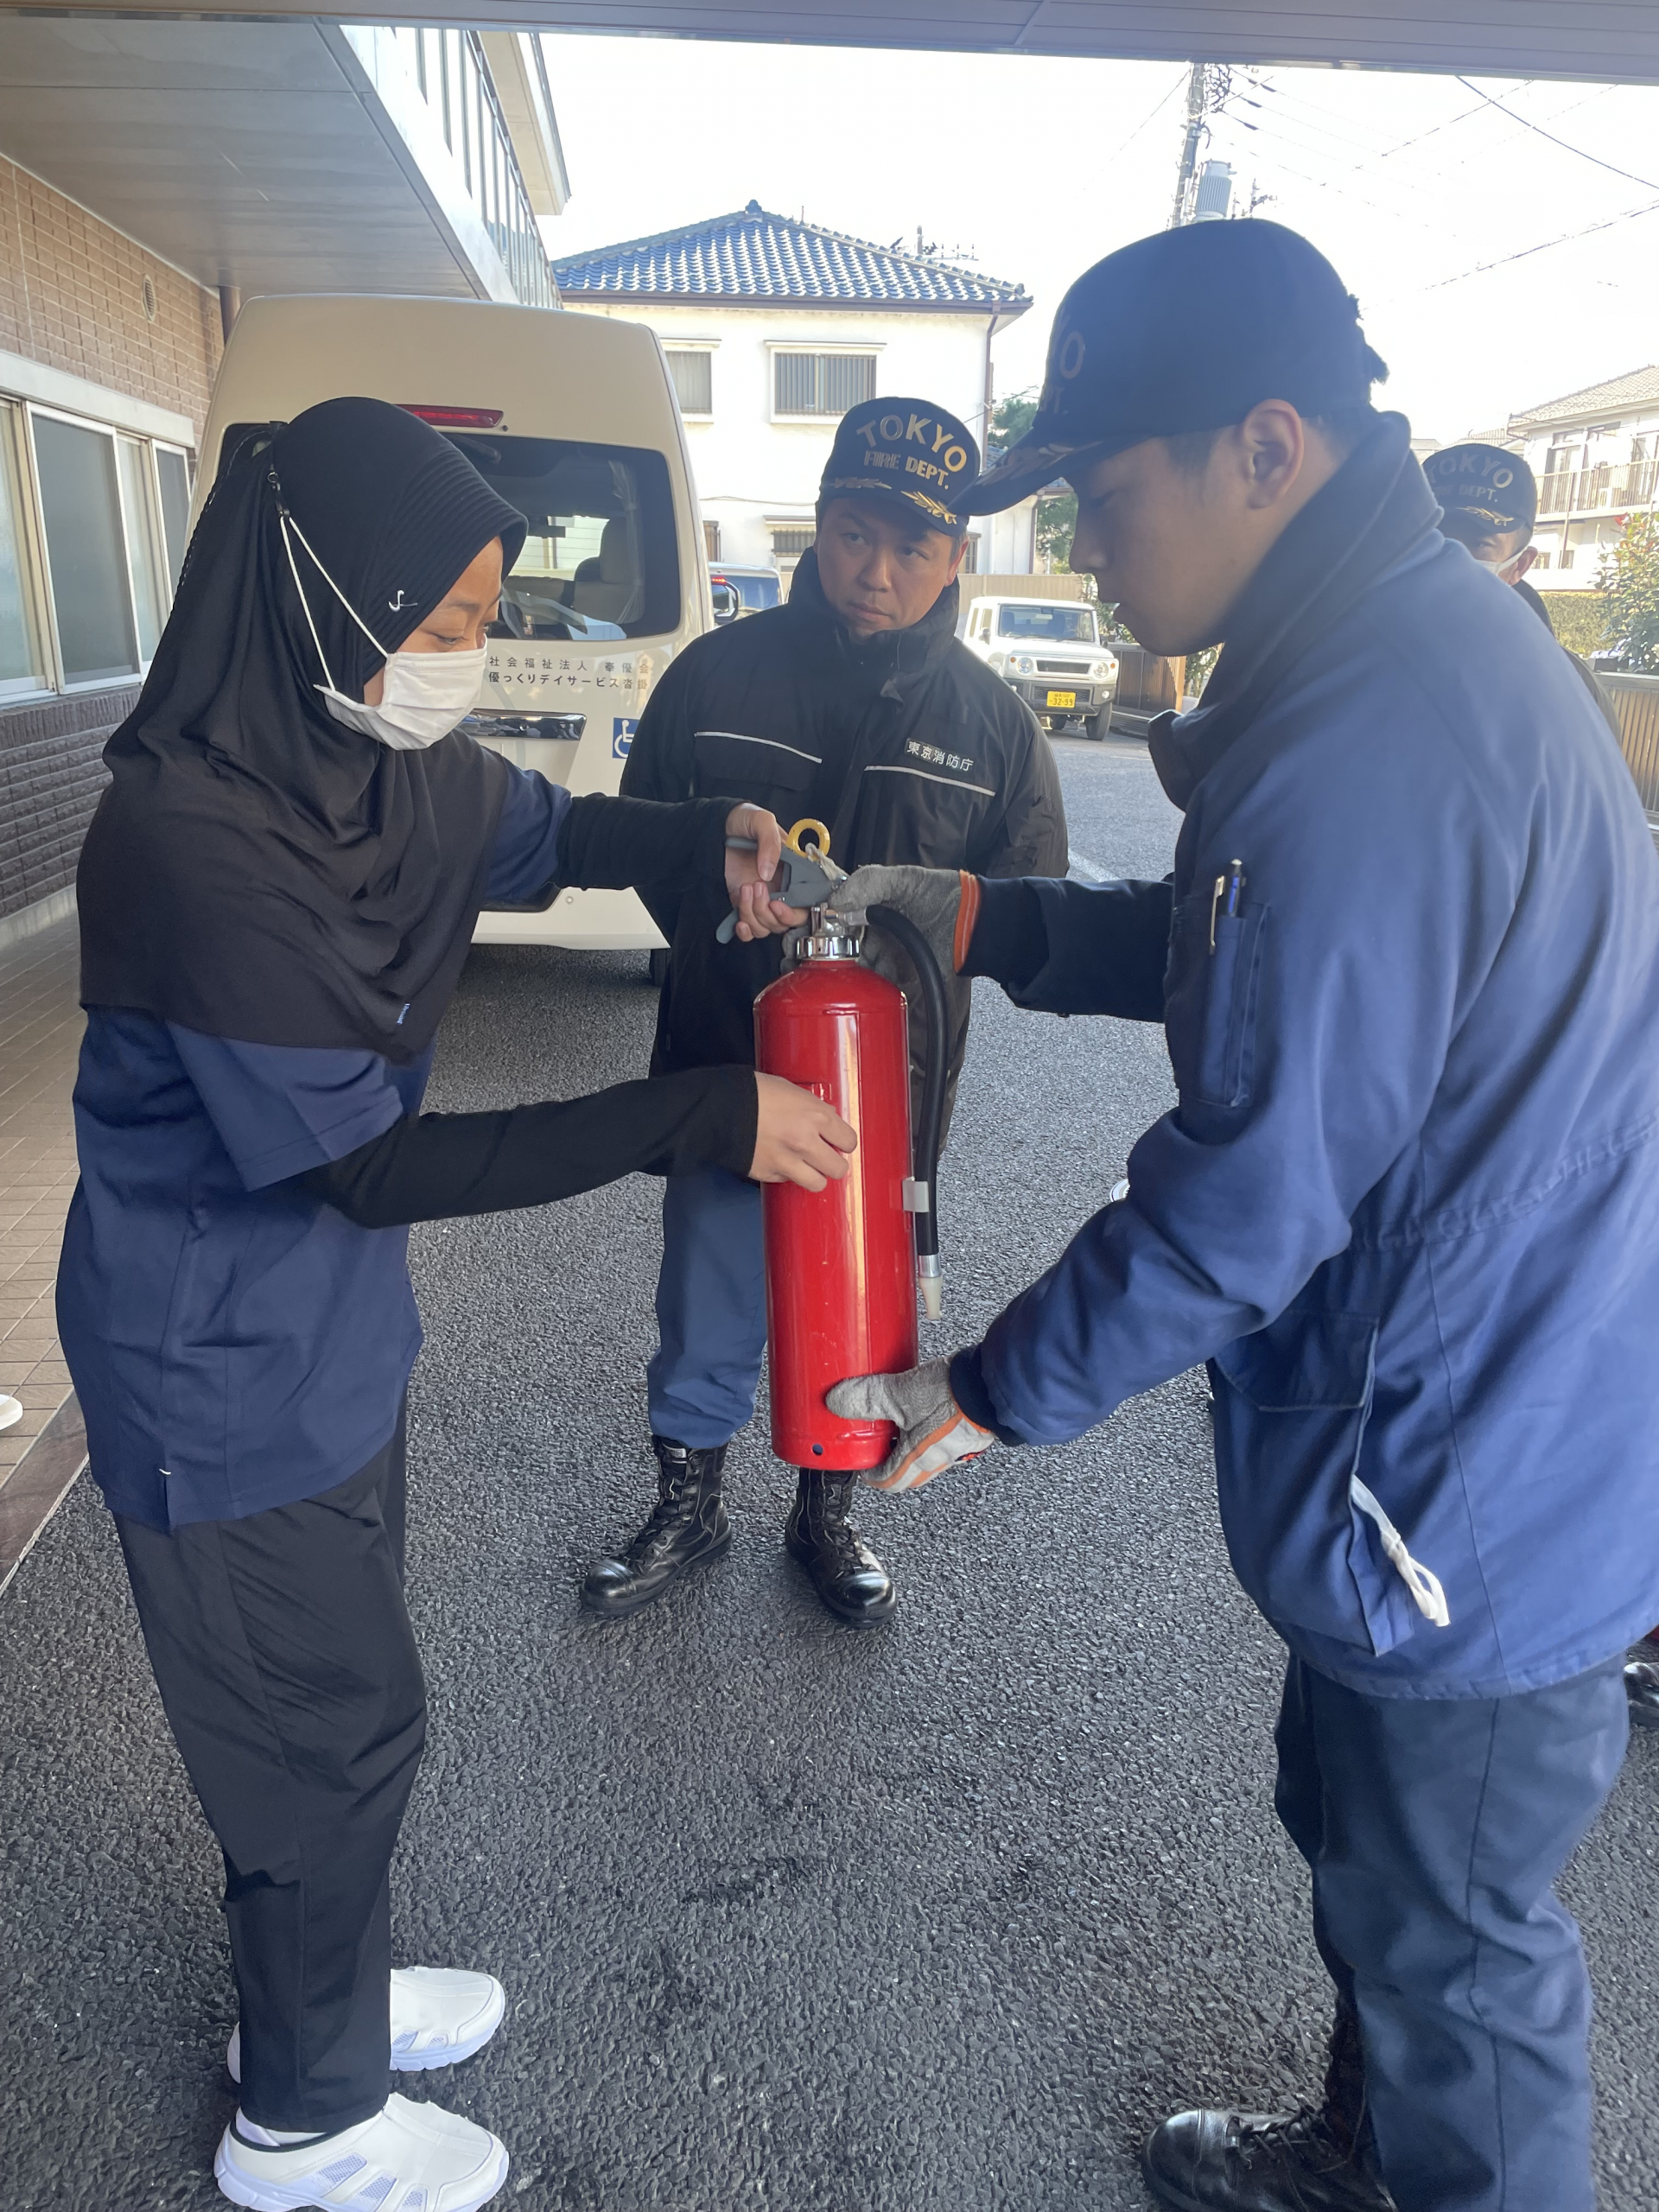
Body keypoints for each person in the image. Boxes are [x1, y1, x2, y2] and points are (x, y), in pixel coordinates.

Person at [823, 222, 1659, 2212]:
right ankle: (1363, 2157)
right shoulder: (1390, 651)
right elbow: (1249, 951)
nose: (1087, 549)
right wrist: (963, 910)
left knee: (1457, 1957)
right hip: (1486, 1415)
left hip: (1463, 1475)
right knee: (1372, 1851)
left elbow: (1254, 1188)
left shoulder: (1378, 733)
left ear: (1264, 448)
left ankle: (1411, 2159)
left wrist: (995, 1382)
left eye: (1106, 495)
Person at [57, 398, 852, 2212]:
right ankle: (301, 2123)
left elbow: (547, 829)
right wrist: (695, 1115)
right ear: (328, 600)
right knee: (321, 1730)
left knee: (337, 1707)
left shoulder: (384, 758)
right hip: (214, 1366)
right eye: (445, 620)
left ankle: (317, 2004)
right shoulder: (190, 842)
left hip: (333, 1344)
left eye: (486, 613)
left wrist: (700, 838)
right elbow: (366, 1166)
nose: (468, 658)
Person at [583, 398, 1067, 1629]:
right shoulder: (717, 675)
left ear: (956, 557)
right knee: (707, 1291)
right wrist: (720, 914)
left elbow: (1031, 905)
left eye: (914, 547)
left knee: (850, 1301)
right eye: (856, 534)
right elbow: (646, 836)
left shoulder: (994, 727)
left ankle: (827, 1510)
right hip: (727, 1061)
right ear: (820, 526)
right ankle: (689, 1502)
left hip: (880, 1094)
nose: (877, 570)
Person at [1423, 440, 1623, 734]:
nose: (1448, 554)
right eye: (1430, 538)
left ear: (1519, 565)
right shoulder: (1361, 653)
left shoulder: (1567, 688)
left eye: (1479, 544)